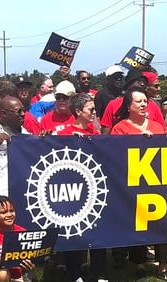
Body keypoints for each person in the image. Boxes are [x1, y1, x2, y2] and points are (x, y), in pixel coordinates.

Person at [110, 87, 167, 281]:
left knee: (164, 225)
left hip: (159, 185)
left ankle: (163, 267)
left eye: (145, 101)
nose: (143, 104)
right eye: (138, 101)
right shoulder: (119, 128)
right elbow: (113, 154)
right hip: (132, 186)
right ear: (128, 106)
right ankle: (138, 264)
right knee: (137, 226)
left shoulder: (157, 126)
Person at [58, 93, 106, 281]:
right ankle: (74, 273)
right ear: (78, 111)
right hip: (72, 193)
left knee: (99, 231)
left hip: (94, 191)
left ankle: (99, 273)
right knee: (73, 235)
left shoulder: (95, 134)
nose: (94, 113)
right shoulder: (64, 133)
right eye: (91, 109)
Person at [101, 69, 165, 134]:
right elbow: (105, 135)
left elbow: (163, 132)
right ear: (129, 83)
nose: (142, 84)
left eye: (144, 82)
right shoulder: (113, 105)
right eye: (138, 81)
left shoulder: (153, 106)